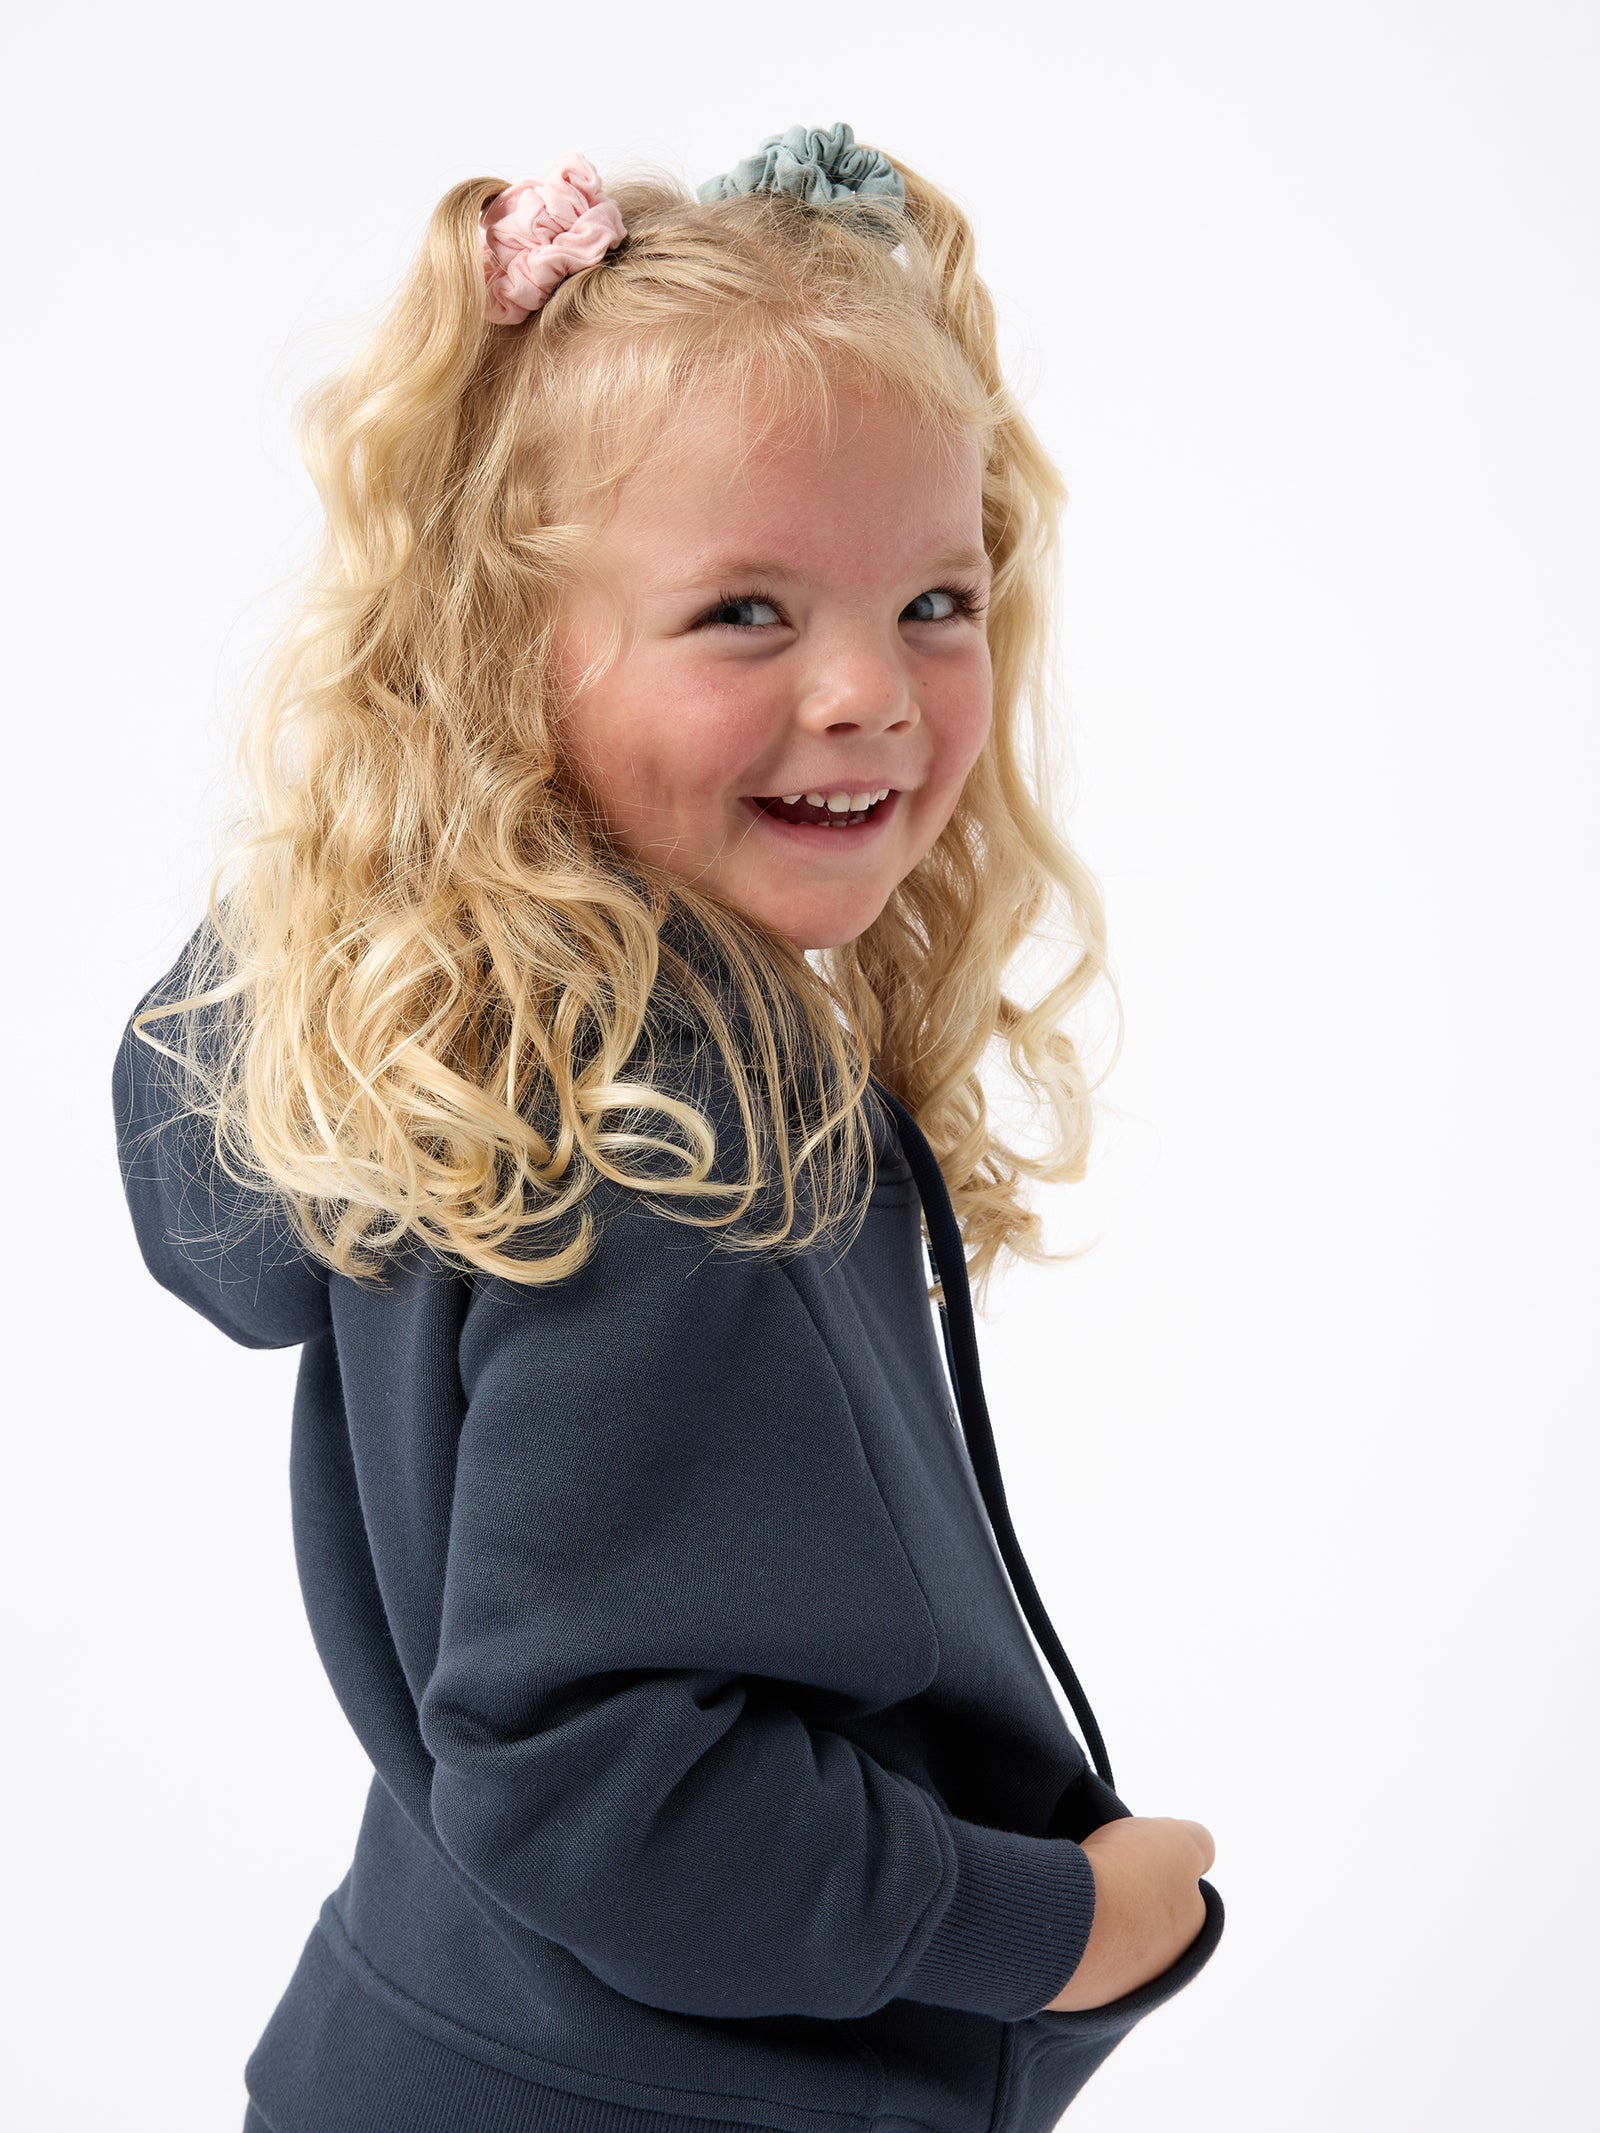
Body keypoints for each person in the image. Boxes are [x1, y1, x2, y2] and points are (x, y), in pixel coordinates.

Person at [111, 122, 1223, 2133]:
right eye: (743, 614)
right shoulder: (667, 1112)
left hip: (422, 2037)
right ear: (501, 652)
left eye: (935, 597)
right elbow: (602, 1786)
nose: (870, 691)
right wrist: (1051, 1924)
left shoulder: (450, 1021)